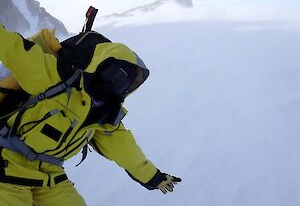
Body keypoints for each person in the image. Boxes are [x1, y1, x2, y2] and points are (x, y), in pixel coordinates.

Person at [0, 20, 181, 206]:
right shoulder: (57, 77)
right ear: (102, 64)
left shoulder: (106, 116)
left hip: (49, 176)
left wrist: (154, 177)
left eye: (126, 82)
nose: (118, 82)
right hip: (6, 164)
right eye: (117, 73)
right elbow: (13, 48)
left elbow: (126, 151)